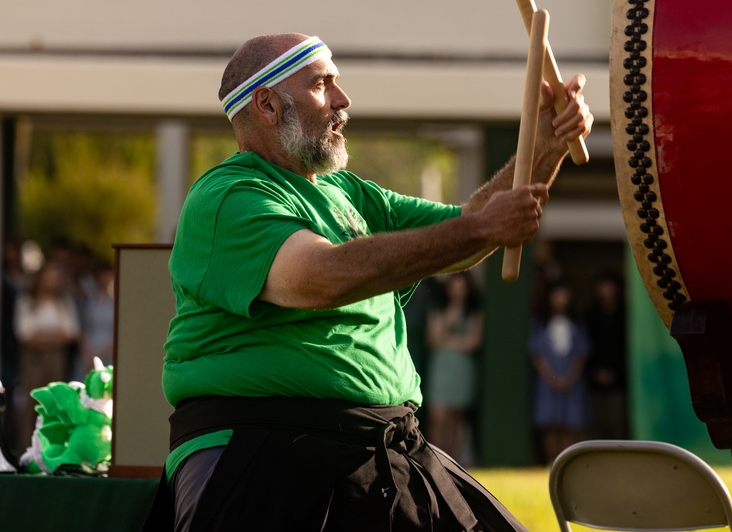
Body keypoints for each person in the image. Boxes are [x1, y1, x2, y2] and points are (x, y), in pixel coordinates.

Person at [141, 32, 592, 531]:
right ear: (267, 104)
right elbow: (320, 277)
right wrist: (481, 227)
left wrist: (546, 146)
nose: (343, 99)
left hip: (384, 446)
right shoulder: (227, 196)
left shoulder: (347, 192)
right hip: (263, 449)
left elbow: (467, 225)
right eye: (322, 84)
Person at [13, 260, 81, 453]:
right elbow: (24, 334)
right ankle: (26, 448)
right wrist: (53, 337)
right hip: (33, 359)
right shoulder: (27, 301)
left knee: (56, 402)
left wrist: (41, 336)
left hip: (57, 358)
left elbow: (70, 332)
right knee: (32, 402)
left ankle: (53, 448)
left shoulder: (64, 302)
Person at [424, 271, 484, 463]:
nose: (458, 291)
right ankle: (433, 458)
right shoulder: (438, 308)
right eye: (454, 285)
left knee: (455, 418)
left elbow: (473, 342)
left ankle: (450, 462)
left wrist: (446, 340)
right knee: (437, 415)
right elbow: (432, 339)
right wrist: (451, 317)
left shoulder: (474, 311)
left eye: (462, 286)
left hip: (462, 369)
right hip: (440, 368)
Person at [530, 278, 589, 464]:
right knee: (549, 423)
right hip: (547, 383)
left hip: (572, 383)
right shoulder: (540, 322)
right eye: (557, 295)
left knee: (569, 423)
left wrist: (570, 378)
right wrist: (551, 378)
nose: (561, 299)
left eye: (564, 295)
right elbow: (537, 354)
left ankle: (565, 463)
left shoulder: (578, 323)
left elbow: (581, 354)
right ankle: (550, 462)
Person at [585, 271, 628, 440]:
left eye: (609, 287)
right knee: (596, 424)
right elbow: (587, 347)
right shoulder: (590, 316)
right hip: (594, 381)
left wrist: (614, 373)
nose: (606, 291)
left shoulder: (625, 316)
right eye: (603, 287)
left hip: (618, 382)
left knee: (616, 422)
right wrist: (595, 371)